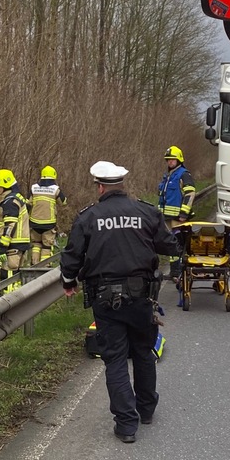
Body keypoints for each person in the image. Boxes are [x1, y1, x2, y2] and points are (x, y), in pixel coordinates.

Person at [61, 161, 178, 443]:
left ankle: (126, 425)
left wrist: (68, 282)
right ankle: (146, 410)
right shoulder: (146, 212)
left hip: (105, 298)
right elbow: (169, 245)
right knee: (143, 351)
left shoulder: (89, 217)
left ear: (100, 187)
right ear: (121, 185)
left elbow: (72, 256)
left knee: (114, 359)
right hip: (142, 296)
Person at [157, 145, 196, 286]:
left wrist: (184, 213)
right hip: (167, 218)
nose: (170, 162)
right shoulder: (168, 176)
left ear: (179, 159)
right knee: (171, 245)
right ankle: (174, 271)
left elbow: (190, 194)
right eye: (168, 160)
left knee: (179, 244)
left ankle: (181, 271)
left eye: (172, 159)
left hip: (178, 219)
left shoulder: (183, 174)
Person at [0, 169, 31, 281]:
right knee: (16, 276)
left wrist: (3, 246)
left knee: (7, 275)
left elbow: (10, 226)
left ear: (5, 186)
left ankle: (8, 298)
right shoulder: (18, 197)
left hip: (13, 245)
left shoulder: (10, 202)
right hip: (20, 243)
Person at [29, 165, 67, 266]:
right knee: (46, 246)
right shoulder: (55, 189)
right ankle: (44, 267)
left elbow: (28, 202)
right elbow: (63, 202)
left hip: (34, 222)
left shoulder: (34, 188)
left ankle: (34, 265)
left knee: (36, 244)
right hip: (48, 223)